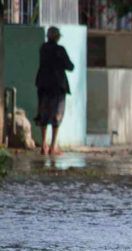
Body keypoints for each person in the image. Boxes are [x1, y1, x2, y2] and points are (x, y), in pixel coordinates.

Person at [34, 26, 73, 156]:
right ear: (57, 37)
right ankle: (53, 146)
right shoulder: (60, 50)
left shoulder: (42, 49)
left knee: (43, 113)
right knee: (57, 114)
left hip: (43, 84)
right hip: (57, 85)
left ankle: (44, 145)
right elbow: (70, 66)